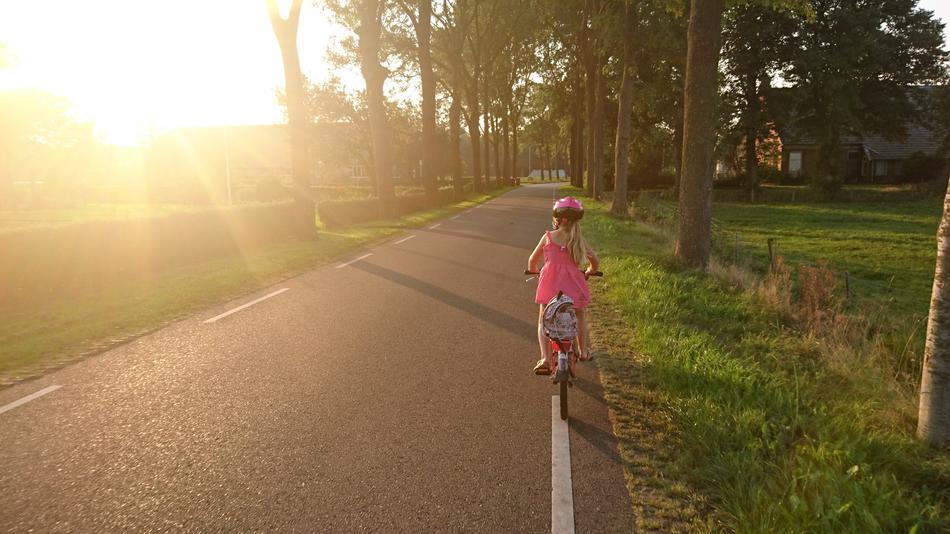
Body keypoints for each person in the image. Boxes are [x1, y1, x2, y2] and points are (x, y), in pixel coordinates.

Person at [527, 196, 599, 373]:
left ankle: (545, 358)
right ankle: (582, 352)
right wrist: (590, 270)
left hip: (549, 286)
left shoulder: (548, 237)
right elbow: (594, 260)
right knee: (580, 313)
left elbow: (532, 261)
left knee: (543, 319)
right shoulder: (578, 240)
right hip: (574, 285)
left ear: (558, 219)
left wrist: (535, 271)